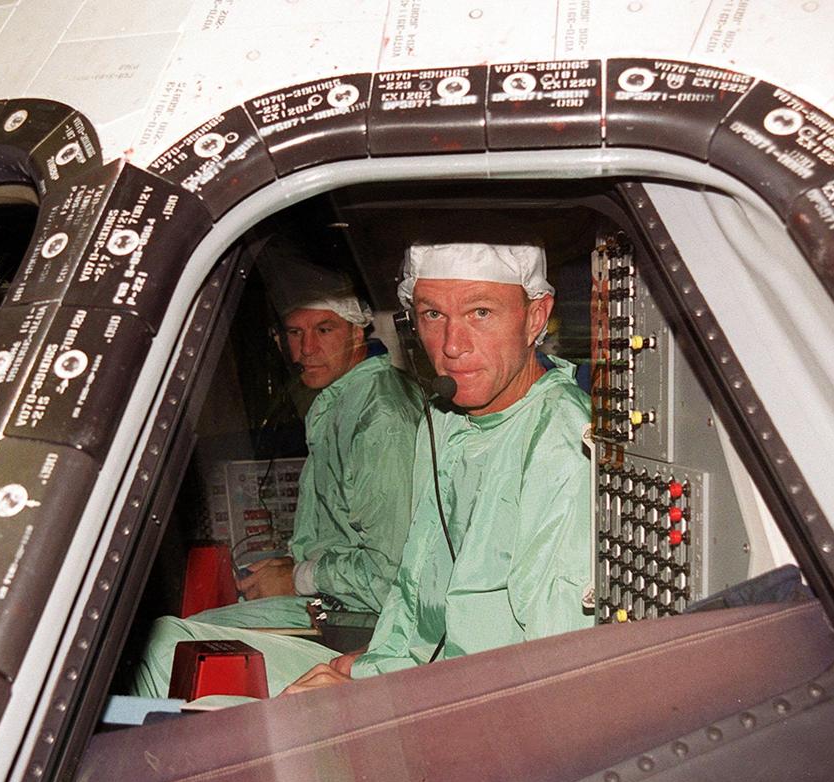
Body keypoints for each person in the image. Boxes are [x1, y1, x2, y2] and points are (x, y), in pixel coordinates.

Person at [285, 241, 593, 693]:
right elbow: (418, 592)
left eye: (480, 313)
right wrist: (377, 661)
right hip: (421, 676)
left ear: (535, 318)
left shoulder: (561, 439)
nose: (452, 346)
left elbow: (552, 673)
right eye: (432, 315)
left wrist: (379, 697)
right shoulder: (445, 418)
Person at [131, 261, 422, 696]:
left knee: (160, 648)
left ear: (357, 332)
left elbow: (388, 576)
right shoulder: (342, 400)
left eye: (324, 330)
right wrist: (289, 568)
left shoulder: (381, 417)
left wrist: (298, 578)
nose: (306, 349)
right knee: (171, 632)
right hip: (333, 608)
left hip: (369, 628)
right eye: (294, 333)